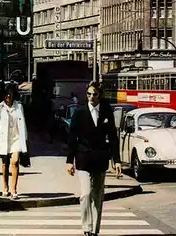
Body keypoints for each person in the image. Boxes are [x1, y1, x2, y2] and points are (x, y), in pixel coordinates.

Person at [66, 81, 121, 236]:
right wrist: (69, 161)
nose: (91, 97)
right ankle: (87, 228)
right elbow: (72, 137)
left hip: (100, 159)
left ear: (100, 95)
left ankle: (94, 231)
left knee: (97, 196)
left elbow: (112, 136)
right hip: (83, 158)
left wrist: (116, 160)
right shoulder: (80, 112)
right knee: (86, 194)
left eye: (94, 94)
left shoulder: (106, 111)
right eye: (89, 94)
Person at [0, 84, 28, 199]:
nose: (8, 96)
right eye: (6, 94)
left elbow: (23, 123)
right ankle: (5, 187)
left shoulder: (19, 106)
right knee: (5, 164)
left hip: (16, 138)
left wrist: (25, 139)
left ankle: (14, 189)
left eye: (10, 94)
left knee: (15, 161)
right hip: (3, 138)